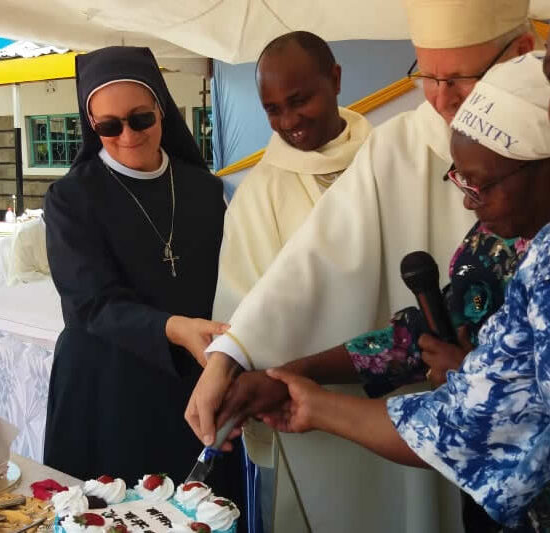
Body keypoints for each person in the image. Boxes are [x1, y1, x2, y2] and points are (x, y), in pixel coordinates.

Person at [186, 1, 537, 531]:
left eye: (461, 77)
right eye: (427, 76)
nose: (443, 100)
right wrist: (264, 366)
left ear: (522, 54)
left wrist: (318, 403)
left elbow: (484, 421)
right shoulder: (477, 228)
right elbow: (403, 328)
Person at [261, 51, 550, 532]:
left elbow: (473, 422)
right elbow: (424, 334)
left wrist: (313, 405)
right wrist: (294, 372)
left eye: (480, 184)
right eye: (460, 179)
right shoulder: (498, 237)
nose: (466, 201)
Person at [43, 46, 244, 514]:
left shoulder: (204, 189)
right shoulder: (70, 198)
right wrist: (176, 327)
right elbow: (89, 303)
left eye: (140, 119)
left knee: (197, 515)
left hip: (189, 382)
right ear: (93, 128)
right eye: (109, 127)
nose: (128, 136)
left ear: (161, 111)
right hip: (104, 385)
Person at [212, 31, 372, 532]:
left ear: (337, 79)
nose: (289, 122)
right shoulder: (258, 193)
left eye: (300, 100)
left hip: (397, 395)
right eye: (273, 110)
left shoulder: (388, 159)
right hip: (303, 406)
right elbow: (244, 309)